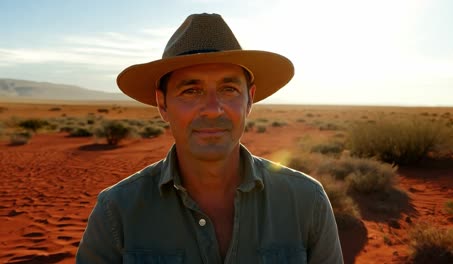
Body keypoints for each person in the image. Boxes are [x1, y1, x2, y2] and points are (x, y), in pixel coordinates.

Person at [76, 13, 343, 263]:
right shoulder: (117, 212)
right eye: (191, 91)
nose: (213, 110)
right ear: (162, 104)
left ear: (249, 99)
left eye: (228, 89)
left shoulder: (307, 202)